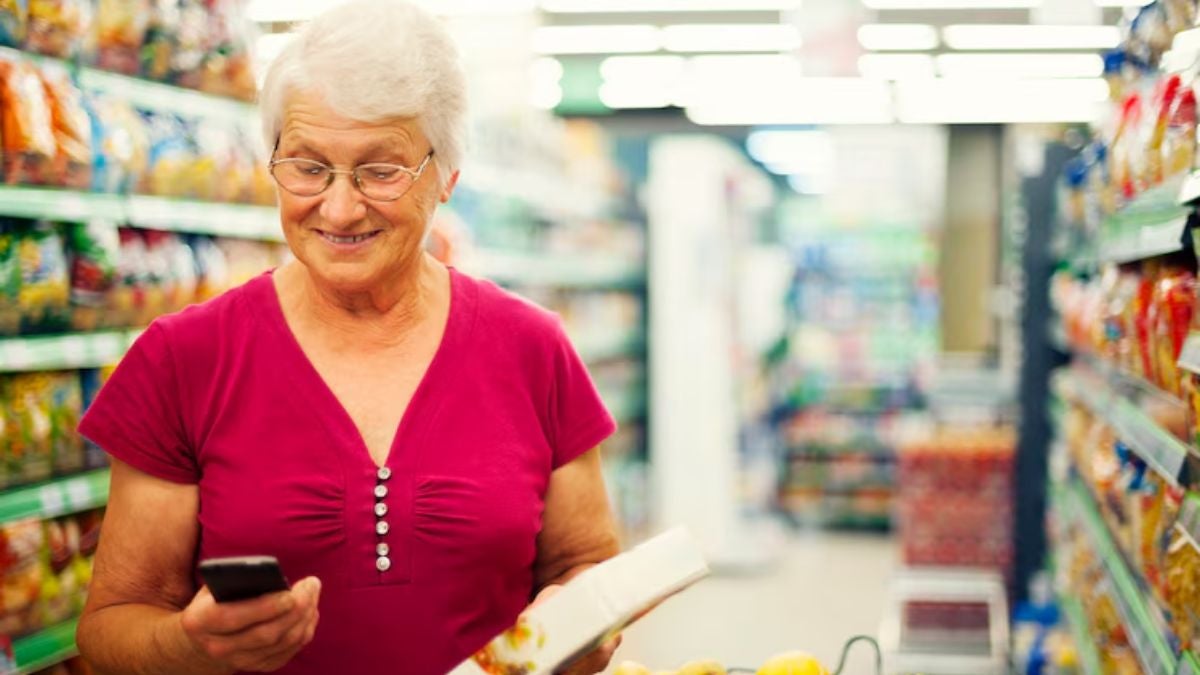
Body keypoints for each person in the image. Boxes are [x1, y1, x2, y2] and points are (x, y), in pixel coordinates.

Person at [73, 2, 622, 673]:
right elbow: (110, 626)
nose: (338, 207)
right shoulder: (182, 359)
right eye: (307, 166)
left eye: (380, 170)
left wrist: (580, 621)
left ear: (447, 173)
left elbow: (583, 563)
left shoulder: (534, 350)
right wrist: (188, 646)